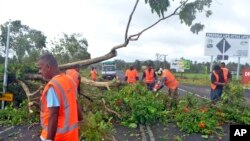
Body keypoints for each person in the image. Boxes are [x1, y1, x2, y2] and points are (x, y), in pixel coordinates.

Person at [37, 53, 83, 141]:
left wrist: (49, 139)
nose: (39, 71)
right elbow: (75, 103)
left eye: (40, 68)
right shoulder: (70, 81)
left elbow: (53, 115)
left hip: (56, 137)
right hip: (71, 136)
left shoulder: (53, 86)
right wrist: (81, 120)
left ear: (48, 66)